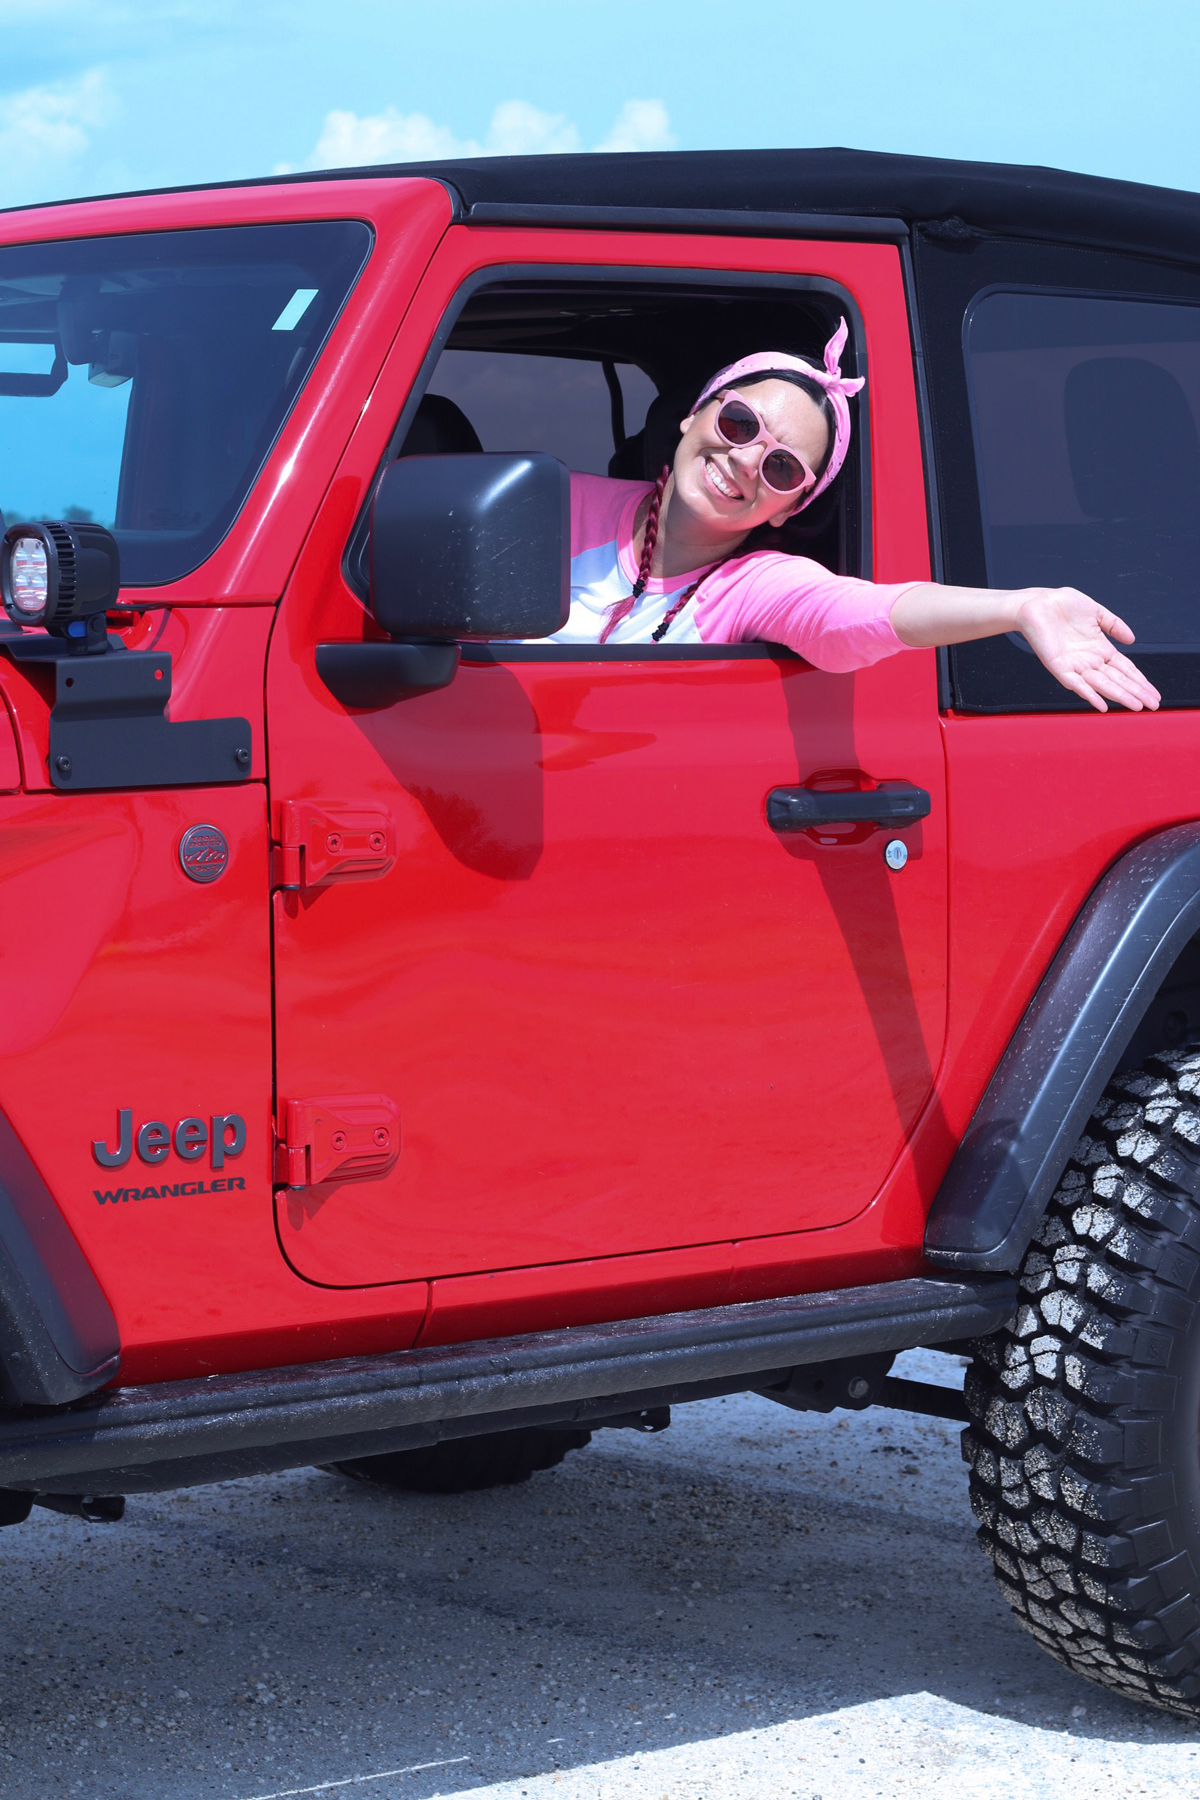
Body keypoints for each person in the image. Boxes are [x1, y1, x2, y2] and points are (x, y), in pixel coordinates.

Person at [552, 319, 1161, 715]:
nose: (743, 459)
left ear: (789, 507)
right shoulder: (549, 502)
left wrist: (1018, 606)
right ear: (694, 414)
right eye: (739, 423)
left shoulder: (751, 585)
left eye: (782, 468)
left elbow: (858, 614)